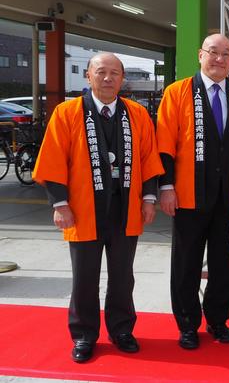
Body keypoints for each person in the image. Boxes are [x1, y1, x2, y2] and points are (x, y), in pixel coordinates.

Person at [33, 52, 164, 363]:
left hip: (124, 207)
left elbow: (148, 159)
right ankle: (84, 335)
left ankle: (121, 330)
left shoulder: (137, 114)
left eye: (114, 73)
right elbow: (53, 160)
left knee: (123, 276)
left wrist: (149, 199)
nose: (108, 78)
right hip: (82, 209)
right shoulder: (67, 113)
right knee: (85, 277)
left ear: (122, 79)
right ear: (88, 77)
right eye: (101, 72)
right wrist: (60, 204)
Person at [156, 34, 229, 349]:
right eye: (213, 52)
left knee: (224, 264)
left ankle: (217, 320)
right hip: (187, 195)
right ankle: (187, 324)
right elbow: (164, 145)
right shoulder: (177, 93)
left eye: (226, 54)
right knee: (186, 263)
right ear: (200, 55)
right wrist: (166, 186)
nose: (220, 59)